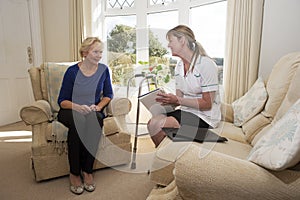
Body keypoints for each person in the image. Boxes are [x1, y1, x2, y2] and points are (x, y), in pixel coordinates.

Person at [147, 25, 221, 147]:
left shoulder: (206, 65)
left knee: (158, 124)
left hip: (206, 117)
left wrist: (178, 100)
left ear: (182, 41)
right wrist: (165, 100)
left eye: (171, 41)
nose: (168, 45)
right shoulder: (179, 66)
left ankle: (166, 157)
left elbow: (207, 104)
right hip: (187, 111)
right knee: (152, 123)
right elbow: (178, 100)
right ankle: (163, 155)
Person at [57, 37, 113, 195]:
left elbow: (108, 94)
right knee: (78, 120)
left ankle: (87, 170)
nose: (99, 55)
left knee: (97, 120)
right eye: (95, 52)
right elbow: (62, 101)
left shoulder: (103, 70)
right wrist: (77, 107)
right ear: (85, 53)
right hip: (70, 109)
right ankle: (74, 173)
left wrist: (99, 107)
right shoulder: (72, 72)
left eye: (100, 52)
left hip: (92, 110)